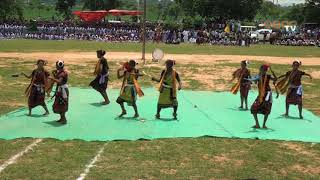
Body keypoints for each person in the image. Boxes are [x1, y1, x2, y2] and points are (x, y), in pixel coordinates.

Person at [249, 65, 278, 129]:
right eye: (261, 69)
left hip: (267, 94)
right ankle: (257, 124)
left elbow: (275, 79)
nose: (263, 71)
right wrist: (254, 79)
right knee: (253, 108)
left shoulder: (268, 76)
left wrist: (272, 72)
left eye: (264, 70)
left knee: (267, 109)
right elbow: (255, 82)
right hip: (260, 95)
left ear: (266, 70)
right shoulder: (258, 76)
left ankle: (264, 125)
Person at [49, 60, 69, 124]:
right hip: (61, 90)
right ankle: (62, 118)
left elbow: (59, 81)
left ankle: (64, 119)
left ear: (58, 66)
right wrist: (54, 74)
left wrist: (52, 79)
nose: (56, 66)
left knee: (62, 104)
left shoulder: (62, 73)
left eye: (56, 65)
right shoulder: (60, 72)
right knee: (59, 104)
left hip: (63, 91)